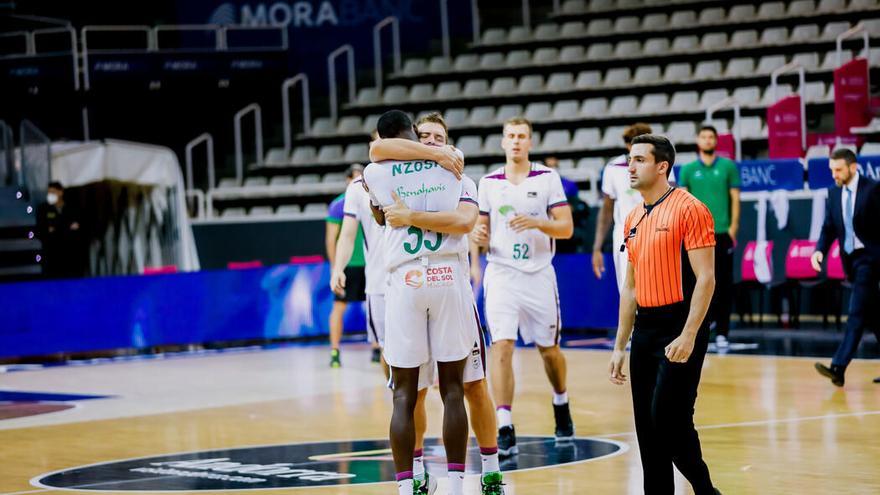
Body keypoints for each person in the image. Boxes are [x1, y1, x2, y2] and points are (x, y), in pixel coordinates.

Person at [351, 112, 505, 494]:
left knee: (408, 392)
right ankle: (453, 484)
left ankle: (411, 486)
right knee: (451, 389)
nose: (432, 142)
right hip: (446, 277)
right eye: (425, 136)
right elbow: (466, 221)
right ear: (414, 137)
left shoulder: (376, 174)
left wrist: (408, 214)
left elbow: (377, 166)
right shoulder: (456, 175)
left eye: (439, 137)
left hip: (405, 282)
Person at [608, 134, 721, 495]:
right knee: (647, 428)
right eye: (629, 159)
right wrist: (619, 345)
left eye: (639, 159)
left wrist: (689, 334)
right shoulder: (632, 217)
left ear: (662, 166)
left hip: (681, 325)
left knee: (669, 420)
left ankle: (705, 490)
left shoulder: (691, 209)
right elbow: (631, 287)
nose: (630, 166)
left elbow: (706, 278)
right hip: (646, 329)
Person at [471, 116, 575, 457]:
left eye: (521, 136)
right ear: (502, 142)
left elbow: (566, 228)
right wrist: (478, 238)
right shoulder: (487, 182)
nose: (515, 141)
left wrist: (537, 222)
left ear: (530, 142)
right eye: (510, 136)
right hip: (501, 272)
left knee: (550, 349)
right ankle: (504, 424)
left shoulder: (548, 178)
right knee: (500, 346)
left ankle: (561, 401)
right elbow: (480, 230)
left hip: (539, 273)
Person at [811, 148, 880, 387]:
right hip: (850, 261)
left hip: (870, 260)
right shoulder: (833, 193)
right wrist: (819, 249)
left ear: (853, 167)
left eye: (838, 169)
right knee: (874, 315)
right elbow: (829, 227)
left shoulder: (873, 189)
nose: (834, 174)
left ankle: (838, 367)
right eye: (832, 170)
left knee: (856, 312)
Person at [678, 125, 741, 348]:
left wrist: (733, 227)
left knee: (723, 283)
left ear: (716, 141)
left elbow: (735, 198)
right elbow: (683, 202)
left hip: (721, 233)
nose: (707, 140)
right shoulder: (687, 169)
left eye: (711, 137)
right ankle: (698, 331)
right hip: (694, 235)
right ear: (698, 140)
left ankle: (723, 332)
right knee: (694, 283)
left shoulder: (728, 167)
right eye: (703, 136)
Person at [592, 123, 653, 292]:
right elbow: (606, 210)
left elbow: (670, 200)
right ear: (628, 145)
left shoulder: (660, 164)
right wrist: (597, 247)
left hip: (655, 230)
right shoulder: (613, 168)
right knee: (627, 288)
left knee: (654, 289)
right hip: (624, 233)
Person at [324, 164, 365, 368]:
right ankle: (334, 350)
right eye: (354, 178)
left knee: (376, 306)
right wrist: (335, 267)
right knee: (339, 307)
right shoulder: (338, 205)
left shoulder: (370, 198)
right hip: (348, 265)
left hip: (369, 263)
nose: (357, 182)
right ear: (347, 180)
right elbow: (331, 239)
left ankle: (378, 349)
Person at [36, 181, 85, 278]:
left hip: (70, 256)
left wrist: (56, 228)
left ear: (60, 192)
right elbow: (43, 231)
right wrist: (66, 227)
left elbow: (78, 230)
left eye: (53, 192)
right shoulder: (43, 209)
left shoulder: (72, 208)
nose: (50, 195)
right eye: (49, 193)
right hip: (51, 256)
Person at [544, 156, 588, 254]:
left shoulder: (569, 184)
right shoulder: (539, 185)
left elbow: (575, 205)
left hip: (565, 223)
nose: (553, 169)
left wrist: (559, 211)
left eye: (555, 166)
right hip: (546, 225)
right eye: (550, 166)